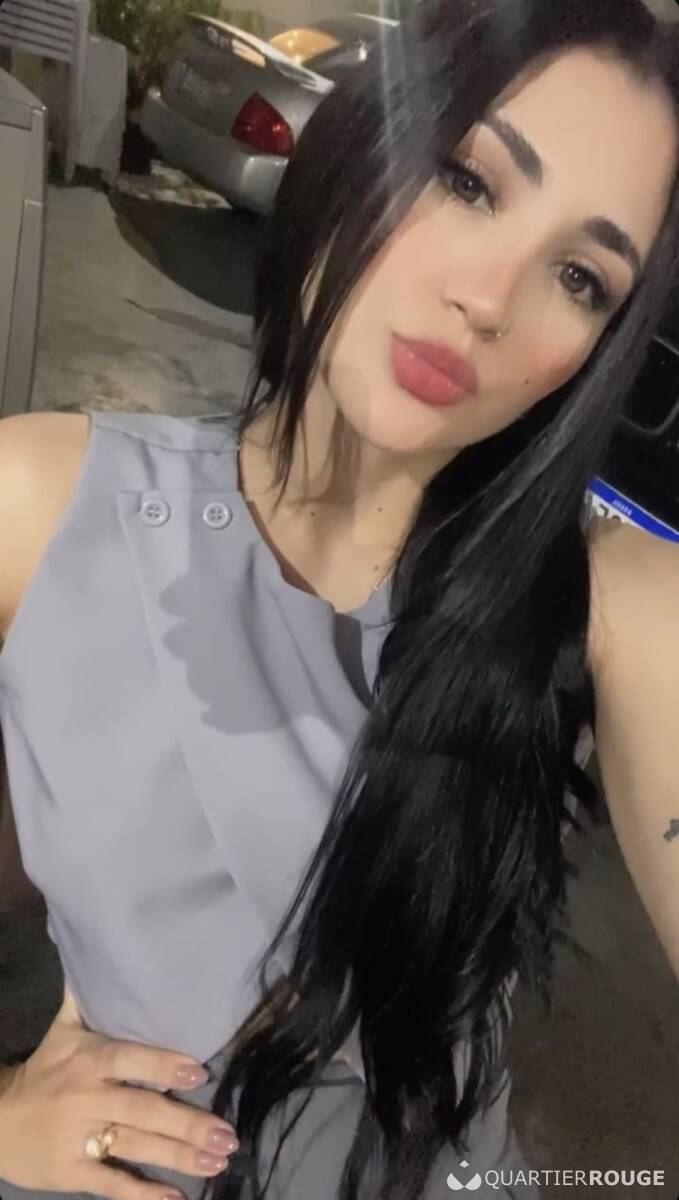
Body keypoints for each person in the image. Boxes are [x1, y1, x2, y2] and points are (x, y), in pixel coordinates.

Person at [1, 0, 679, 1197]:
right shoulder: (38, 502)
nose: (491, 297)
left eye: (580, 276)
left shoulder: (606, 604)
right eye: (468, 182)